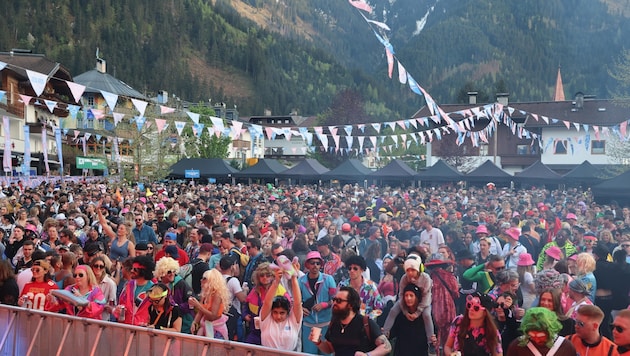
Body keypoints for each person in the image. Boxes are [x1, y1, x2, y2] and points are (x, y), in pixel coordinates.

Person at [309, 286, 392, 356]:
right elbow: (330, 349)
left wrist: (367, 355)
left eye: (339, 301)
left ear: (351, 305)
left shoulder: (365, 322)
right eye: (334, 300)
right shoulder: (334, 323)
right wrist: (318, 342)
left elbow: (387, 346)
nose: (334, 303)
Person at [299, 251, 337, 354]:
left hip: (325, 324)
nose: (315, 266)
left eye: (317, 263)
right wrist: (300, 308)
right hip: (309, 325)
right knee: (310, 353)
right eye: (312, 263)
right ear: (307, 265)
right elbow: (295, 300)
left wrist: (324, 305)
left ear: (321, 265)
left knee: (327, 353)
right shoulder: (301, 281)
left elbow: (336, 299)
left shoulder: (329, 279)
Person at [443, 292, 503, 356]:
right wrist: (451, 354)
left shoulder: (492, 332)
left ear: (485, 312)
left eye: (476, 308)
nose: (471, 309)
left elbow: (498, 354)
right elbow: (448, 346)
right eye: (469, 305)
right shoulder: (458, 321)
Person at [260, 266, 302, 351]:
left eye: (282, 313)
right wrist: (276, 281)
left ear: (288, 312)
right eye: (275, 312)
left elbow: (297, 303)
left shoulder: (293, 321)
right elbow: (267, 302)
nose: (278, 316)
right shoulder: (266, 320)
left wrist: (294, 277)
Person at [507, 307, 576, 355]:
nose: (537, 340)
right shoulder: (517, 345)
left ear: (550, 332)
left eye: (541, 336)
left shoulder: (565, 347)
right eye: (532, 336)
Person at [155, 257, 194, 334]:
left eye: (174, 271)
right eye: (169, 272)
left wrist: (176, 309)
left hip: (183, 324)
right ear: (162, 273)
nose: (172, 274)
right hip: (165, 323)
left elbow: (190, 302)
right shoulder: (157, 286)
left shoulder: (181, 283)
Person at [389, 284, 429, 356]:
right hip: (402, 352)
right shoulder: (400, 314)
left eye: (411, 295)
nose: (408, 298)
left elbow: (432, 333)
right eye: (406, 295)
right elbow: (393, 331)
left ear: (417, 297)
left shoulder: (424, 315)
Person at [189, 269, 230, 339]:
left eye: (204, 279)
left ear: (212, 281)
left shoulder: (217, 295)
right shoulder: (205, 294)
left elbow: (213, 316)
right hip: (206, 326)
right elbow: (200, 312)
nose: (201, 280)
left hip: (217, 329)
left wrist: (198, 305)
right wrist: (195, 322)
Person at [116, 255, 155, 326]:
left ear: (143, 271)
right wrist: (118, 309)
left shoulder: (154, 289)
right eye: (132, 268)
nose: (131, 271)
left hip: (143, 330)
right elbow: (121, 303)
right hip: (126, 327)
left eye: (135, 270)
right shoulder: (128, 285)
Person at [91, 256, 117, 321]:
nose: (98, 268)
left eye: (101, 266)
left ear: (104, 268)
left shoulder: (110, 283)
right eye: (96, 266)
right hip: (88, 317)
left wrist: (97, 306)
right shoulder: (88, 281)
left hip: (103, 319)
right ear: (92, 267)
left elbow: (112, 304)